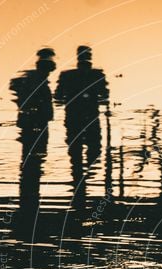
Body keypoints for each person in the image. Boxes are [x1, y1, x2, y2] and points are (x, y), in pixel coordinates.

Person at [54, 45, 109, 202]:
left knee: (76, 152)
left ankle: (79, 181)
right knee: (92, 149)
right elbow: (105, 95)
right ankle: (88, 175)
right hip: (90, 116)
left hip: (74, 116)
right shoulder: (97, 74)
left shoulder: (67, 75)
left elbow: (58, 96)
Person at [10, 48, 56, 202]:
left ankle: (29, 194)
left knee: (31, 159)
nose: (49, 72)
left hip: (34, 123)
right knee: (33, 159)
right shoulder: (34, 81)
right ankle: (30, 195)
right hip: (36, 123)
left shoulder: (34, 79)